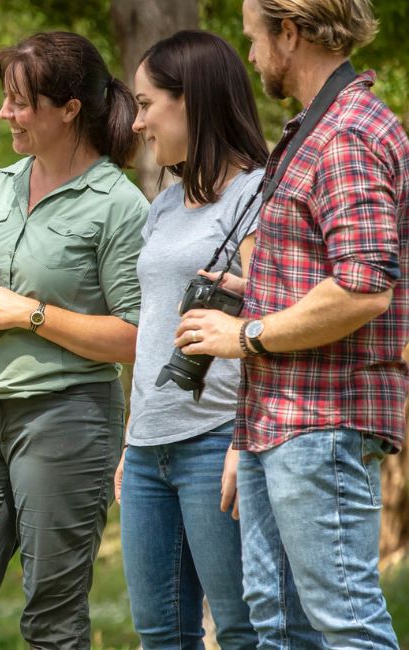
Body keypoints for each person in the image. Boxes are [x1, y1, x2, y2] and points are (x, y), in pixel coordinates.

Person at [176, 0, 408, 646]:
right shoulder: (317, 126)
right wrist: (254, 294)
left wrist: (245, 333)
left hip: (321, 422)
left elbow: (365, 288)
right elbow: (330, 272)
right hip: (275, 421)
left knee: (344, 623)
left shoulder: (347, 135)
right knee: (278, 625)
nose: (250, 57)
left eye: (254, 39)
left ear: (289, 32)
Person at [0, 31, 147, 649]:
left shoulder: (118, 205)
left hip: (67, 420)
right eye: (5, 99)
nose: (5, 114)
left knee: (50, 617)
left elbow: (135, 337)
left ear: (69, 108)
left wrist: (30, 314)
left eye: (20, 102)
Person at [116, 29, 267, 649]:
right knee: (160, 635)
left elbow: (269, 324)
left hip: (217, 441)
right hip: (149, 447)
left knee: (240, 631)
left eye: (147, 104)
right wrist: (132, 438)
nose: (136, 123)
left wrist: (244, 438)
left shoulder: (255, 195)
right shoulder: (165, 204)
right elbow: (153, 326)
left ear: (192, 100)